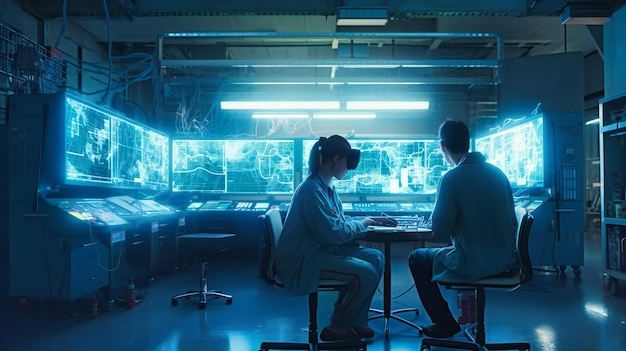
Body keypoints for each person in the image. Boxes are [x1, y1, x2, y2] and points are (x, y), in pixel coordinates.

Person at [274, 135, 395, 341]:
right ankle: (338, 325)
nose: (348, 168)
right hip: (304, 260)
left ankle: (355, 320)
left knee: (376, 258)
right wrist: (363, 223)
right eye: (346, 162)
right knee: (365, 273)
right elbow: (334, 233)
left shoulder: (326, 188)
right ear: (335, 159)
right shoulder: (311, 190)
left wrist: (368, 221)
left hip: (321, 250)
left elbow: (337, 223)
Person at [408, 119, 519, 338]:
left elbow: (439, 233)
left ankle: (445, 323)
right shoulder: (498, 173)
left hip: (474, 262)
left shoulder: (451, 178)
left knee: (417, 258)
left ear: (442, 146)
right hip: (507, 260)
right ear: (468, 143)